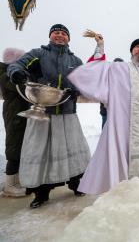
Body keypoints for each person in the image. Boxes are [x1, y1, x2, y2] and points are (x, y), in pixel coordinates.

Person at [68, 34, 139, 195]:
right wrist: (100, 46)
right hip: (125, 123)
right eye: (137, 47)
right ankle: (123, 189)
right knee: (123, 153)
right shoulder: (121, 68)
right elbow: (98, 69)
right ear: (131, 51)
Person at [7, 24, 91, 208]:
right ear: (50, 36)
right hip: (42, 112)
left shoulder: (75, 60)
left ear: (68, 39)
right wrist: (16, 73)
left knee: (72, 150)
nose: (60, 36)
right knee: (42, 152)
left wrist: (75, 90)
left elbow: (85, 81)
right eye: (56, 33)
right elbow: (16, 64)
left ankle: (77, 183)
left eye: (63, 33)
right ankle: (41, 193)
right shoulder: (39, 54)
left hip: (67, 112)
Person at [0, 48, 28, 197]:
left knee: (20, 145)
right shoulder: (6, 74)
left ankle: (17, 180)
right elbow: (21, 88)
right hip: (14, 113)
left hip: (20, 112)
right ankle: (10, 184)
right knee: (14, 146)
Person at [99, 58, 124, 128]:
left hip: (120, 111)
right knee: (106, 130)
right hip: (106, 111)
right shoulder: (106, 77)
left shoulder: (125, 79)